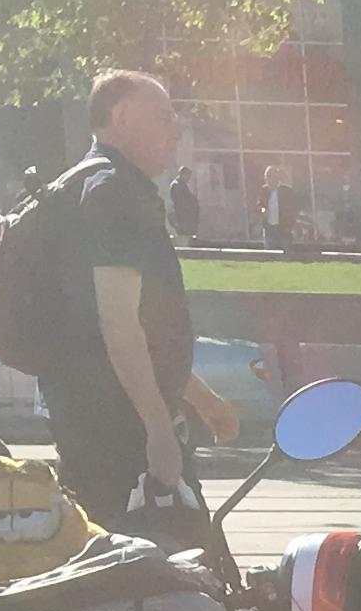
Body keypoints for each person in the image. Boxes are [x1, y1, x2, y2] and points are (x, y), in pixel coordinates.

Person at [36, 69, 238, 525]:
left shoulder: (83, 184)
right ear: (122, 117)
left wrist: (205, 402)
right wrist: (159, 430)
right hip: (120, 431)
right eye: (163, 117)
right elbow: (120, 325)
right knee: (164, 560)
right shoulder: (116, 193)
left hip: (91, 416)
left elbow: (144, 331)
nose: (176, 131)